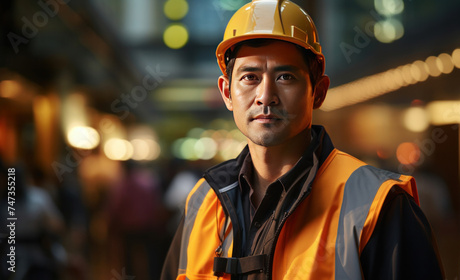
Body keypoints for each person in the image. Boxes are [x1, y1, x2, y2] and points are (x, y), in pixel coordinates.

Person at [161, 0, 444, 279]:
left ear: (318, 92)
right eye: (249, 77)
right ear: (226, 93)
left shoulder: (379, 205)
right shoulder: (204, 202)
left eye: (285, 76)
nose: (265, 96)